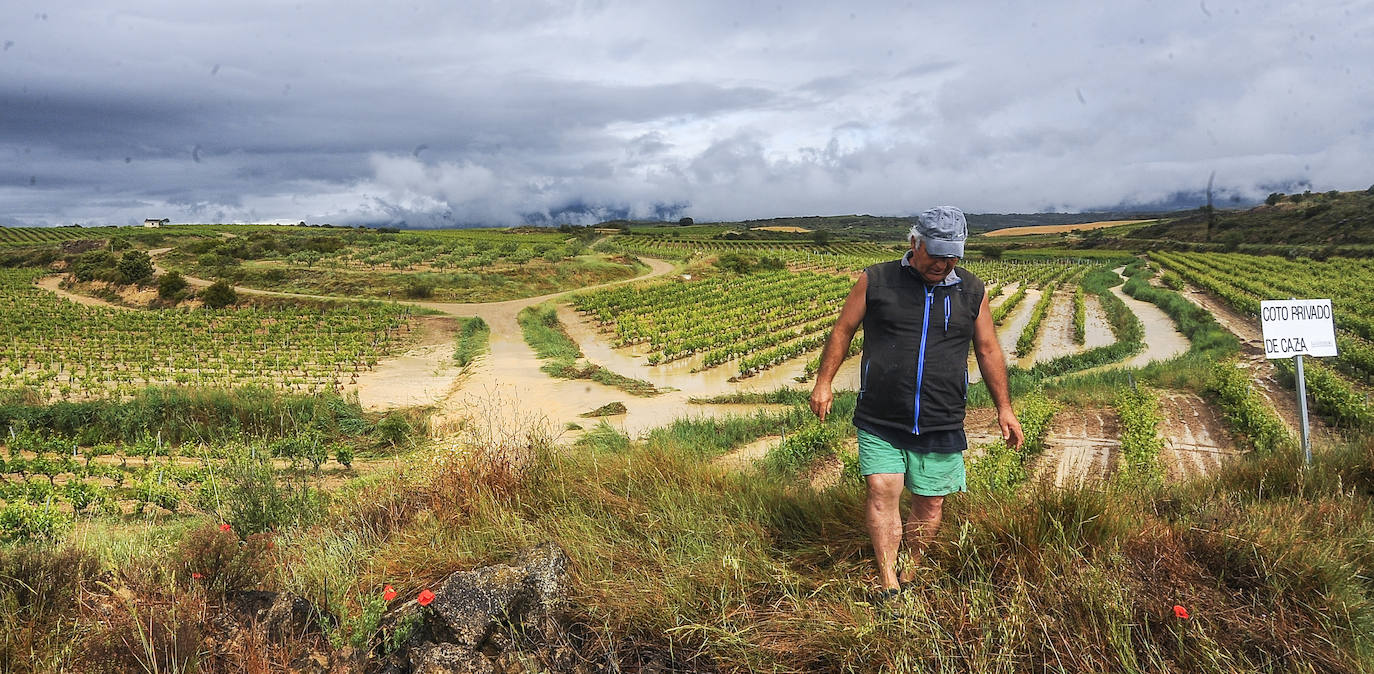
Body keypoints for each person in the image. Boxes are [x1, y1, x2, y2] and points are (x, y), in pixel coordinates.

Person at [809, 206, 1024, 595]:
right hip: (881, 412)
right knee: (883, 487)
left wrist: (1004, 408)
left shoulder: (972, 290)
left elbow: (989, 349)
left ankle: (910, 571)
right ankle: (888, 581)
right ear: (914, 242)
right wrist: (823, 382)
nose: (943, 263)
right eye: (935, 253)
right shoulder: (876, 280)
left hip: (942, 416)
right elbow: (843, 330)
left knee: (930, 503)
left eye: (952, 255)